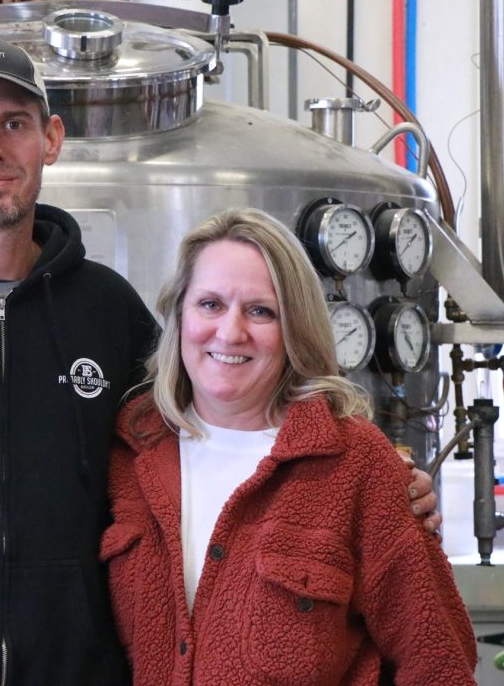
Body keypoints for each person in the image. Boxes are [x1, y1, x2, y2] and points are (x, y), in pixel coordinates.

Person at [0, 35, 441, 684]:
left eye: (14, 123)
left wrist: (383, 487)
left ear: (51, 140)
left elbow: (216, 429)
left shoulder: (103, 309)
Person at [101, 208, 477, 685]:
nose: (230, 332)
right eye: (210, 304)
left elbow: (438, 662)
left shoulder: (355, 462)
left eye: (261, 311)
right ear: (179, 315)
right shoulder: (129, 450)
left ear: (294, 328)